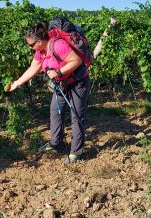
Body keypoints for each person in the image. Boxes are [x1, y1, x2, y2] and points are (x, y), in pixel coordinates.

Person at [9, 21, 90, 164]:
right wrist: (17, 83)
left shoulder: (57, 45)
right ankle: (56, 144)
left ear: (40, 41)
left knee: (76, 114)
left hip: (78, 82)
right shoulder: (40, 52)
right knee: (55, 111)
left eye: (31, 45)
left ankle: (76, 152)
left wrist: (58, 72)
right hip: (62, 83)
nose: (30, 48)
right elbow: (33, 69)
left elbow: (76, 61)